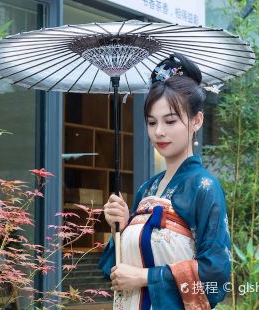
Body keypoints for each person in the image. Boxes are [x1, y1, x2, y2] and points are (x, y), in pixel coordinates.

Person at [98, 52, 232, 310]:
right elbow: (112, 272)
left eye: (170, 120)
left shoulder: (204, 187)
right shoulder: (145, 189)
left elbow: (215, 276)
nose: (159, 131)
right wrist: (120, 227)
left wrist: (144, 277)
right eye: (151, 122)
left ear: (197, 120)